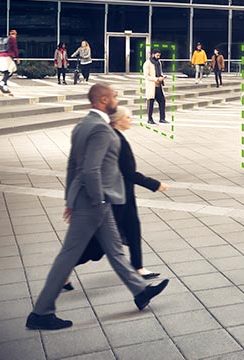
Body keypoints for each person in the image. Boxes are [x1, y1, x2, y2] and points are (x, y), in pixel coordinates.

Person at [25, 84, 169, 331]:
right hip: (95, 202)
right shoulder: (101, 130)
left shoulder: (82, 126)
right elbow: (90, 170)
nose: (116, 98)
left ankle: (140, 291)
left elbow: (73, 167)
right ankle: (41, 312)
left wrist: (70, 200)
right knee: (68, 255)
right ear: (103, 100)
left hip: (92, 200)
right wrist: (98, 200)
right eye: (114, 95)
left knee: (114, 250)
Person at [65, 106, 168, 288]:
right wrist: (155, 184)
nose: (131, 120)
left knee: (134, 229)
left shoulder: (117, 136)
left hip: (126, 195)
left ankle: (138, 267)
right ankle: (64, 271)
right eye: (128, 117)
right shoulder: (114, 139)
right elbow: (128, 173)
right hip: (118, 197)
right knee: (97, 244)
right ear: (118, 119)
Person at [144, 50, 168, 125]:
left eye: (159, 55)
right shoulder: (147, 63)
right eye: (157, 55)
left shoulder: (159, 63)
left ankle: (162, 118)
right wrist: (156, 79)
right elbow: (146, 76)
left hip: (158, 85)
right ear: (153, 55)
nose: (158, 57)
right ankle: (150, 119)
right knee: (150, 102)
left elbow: (160, 72)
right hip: (151, 85)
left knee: (162, 101)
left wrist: (162, 77)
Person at [0, 28, 20, 94]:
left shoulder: (5, 40)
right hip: (7, 57)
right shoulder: (12, 39)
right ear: (15, 34)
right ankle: (1, 84)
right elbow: (15, 49)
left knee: (6, 72)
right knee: (11, 71)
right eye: (15, 34)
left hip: (1, 56)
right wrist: (17, 58)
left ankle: (5, 88)